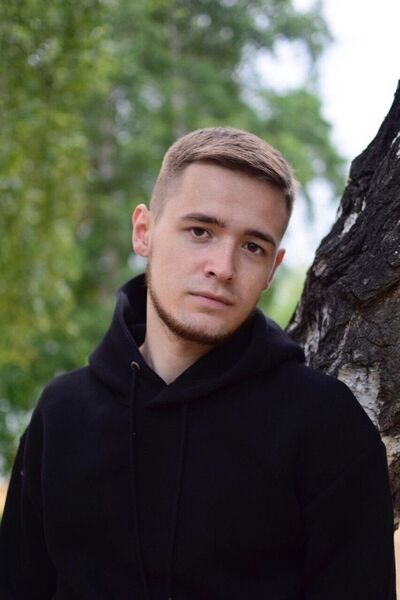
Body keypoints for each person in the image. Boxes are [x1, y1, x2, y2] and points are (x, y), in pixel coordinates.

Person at [0, 127, 396, 599]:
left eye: (252, 246)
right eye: (200, 231)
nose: (222, 267)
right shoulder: (63, 413)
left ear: (272, 269)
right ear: (144, 232)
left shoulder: (325, 425)